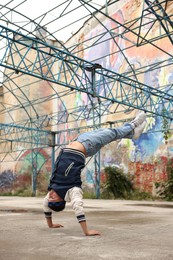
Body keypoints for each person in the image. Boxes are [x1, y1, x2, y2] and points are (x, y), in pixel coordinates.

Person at [43, 111, 146, 236]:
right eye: (52, 198)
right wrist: (86, 231)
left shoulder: (53, 190)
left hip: (79, 140)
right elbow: (78, 207)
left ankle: (133, 135)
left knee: (105, 131)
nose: (50, 195)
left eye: (49, 197)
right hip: (88, 145)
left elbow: (46, 206)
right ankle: (133, 124)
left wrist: (50, 224)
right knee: (111, 133)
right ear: (60, 200)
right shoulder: (72, 190)